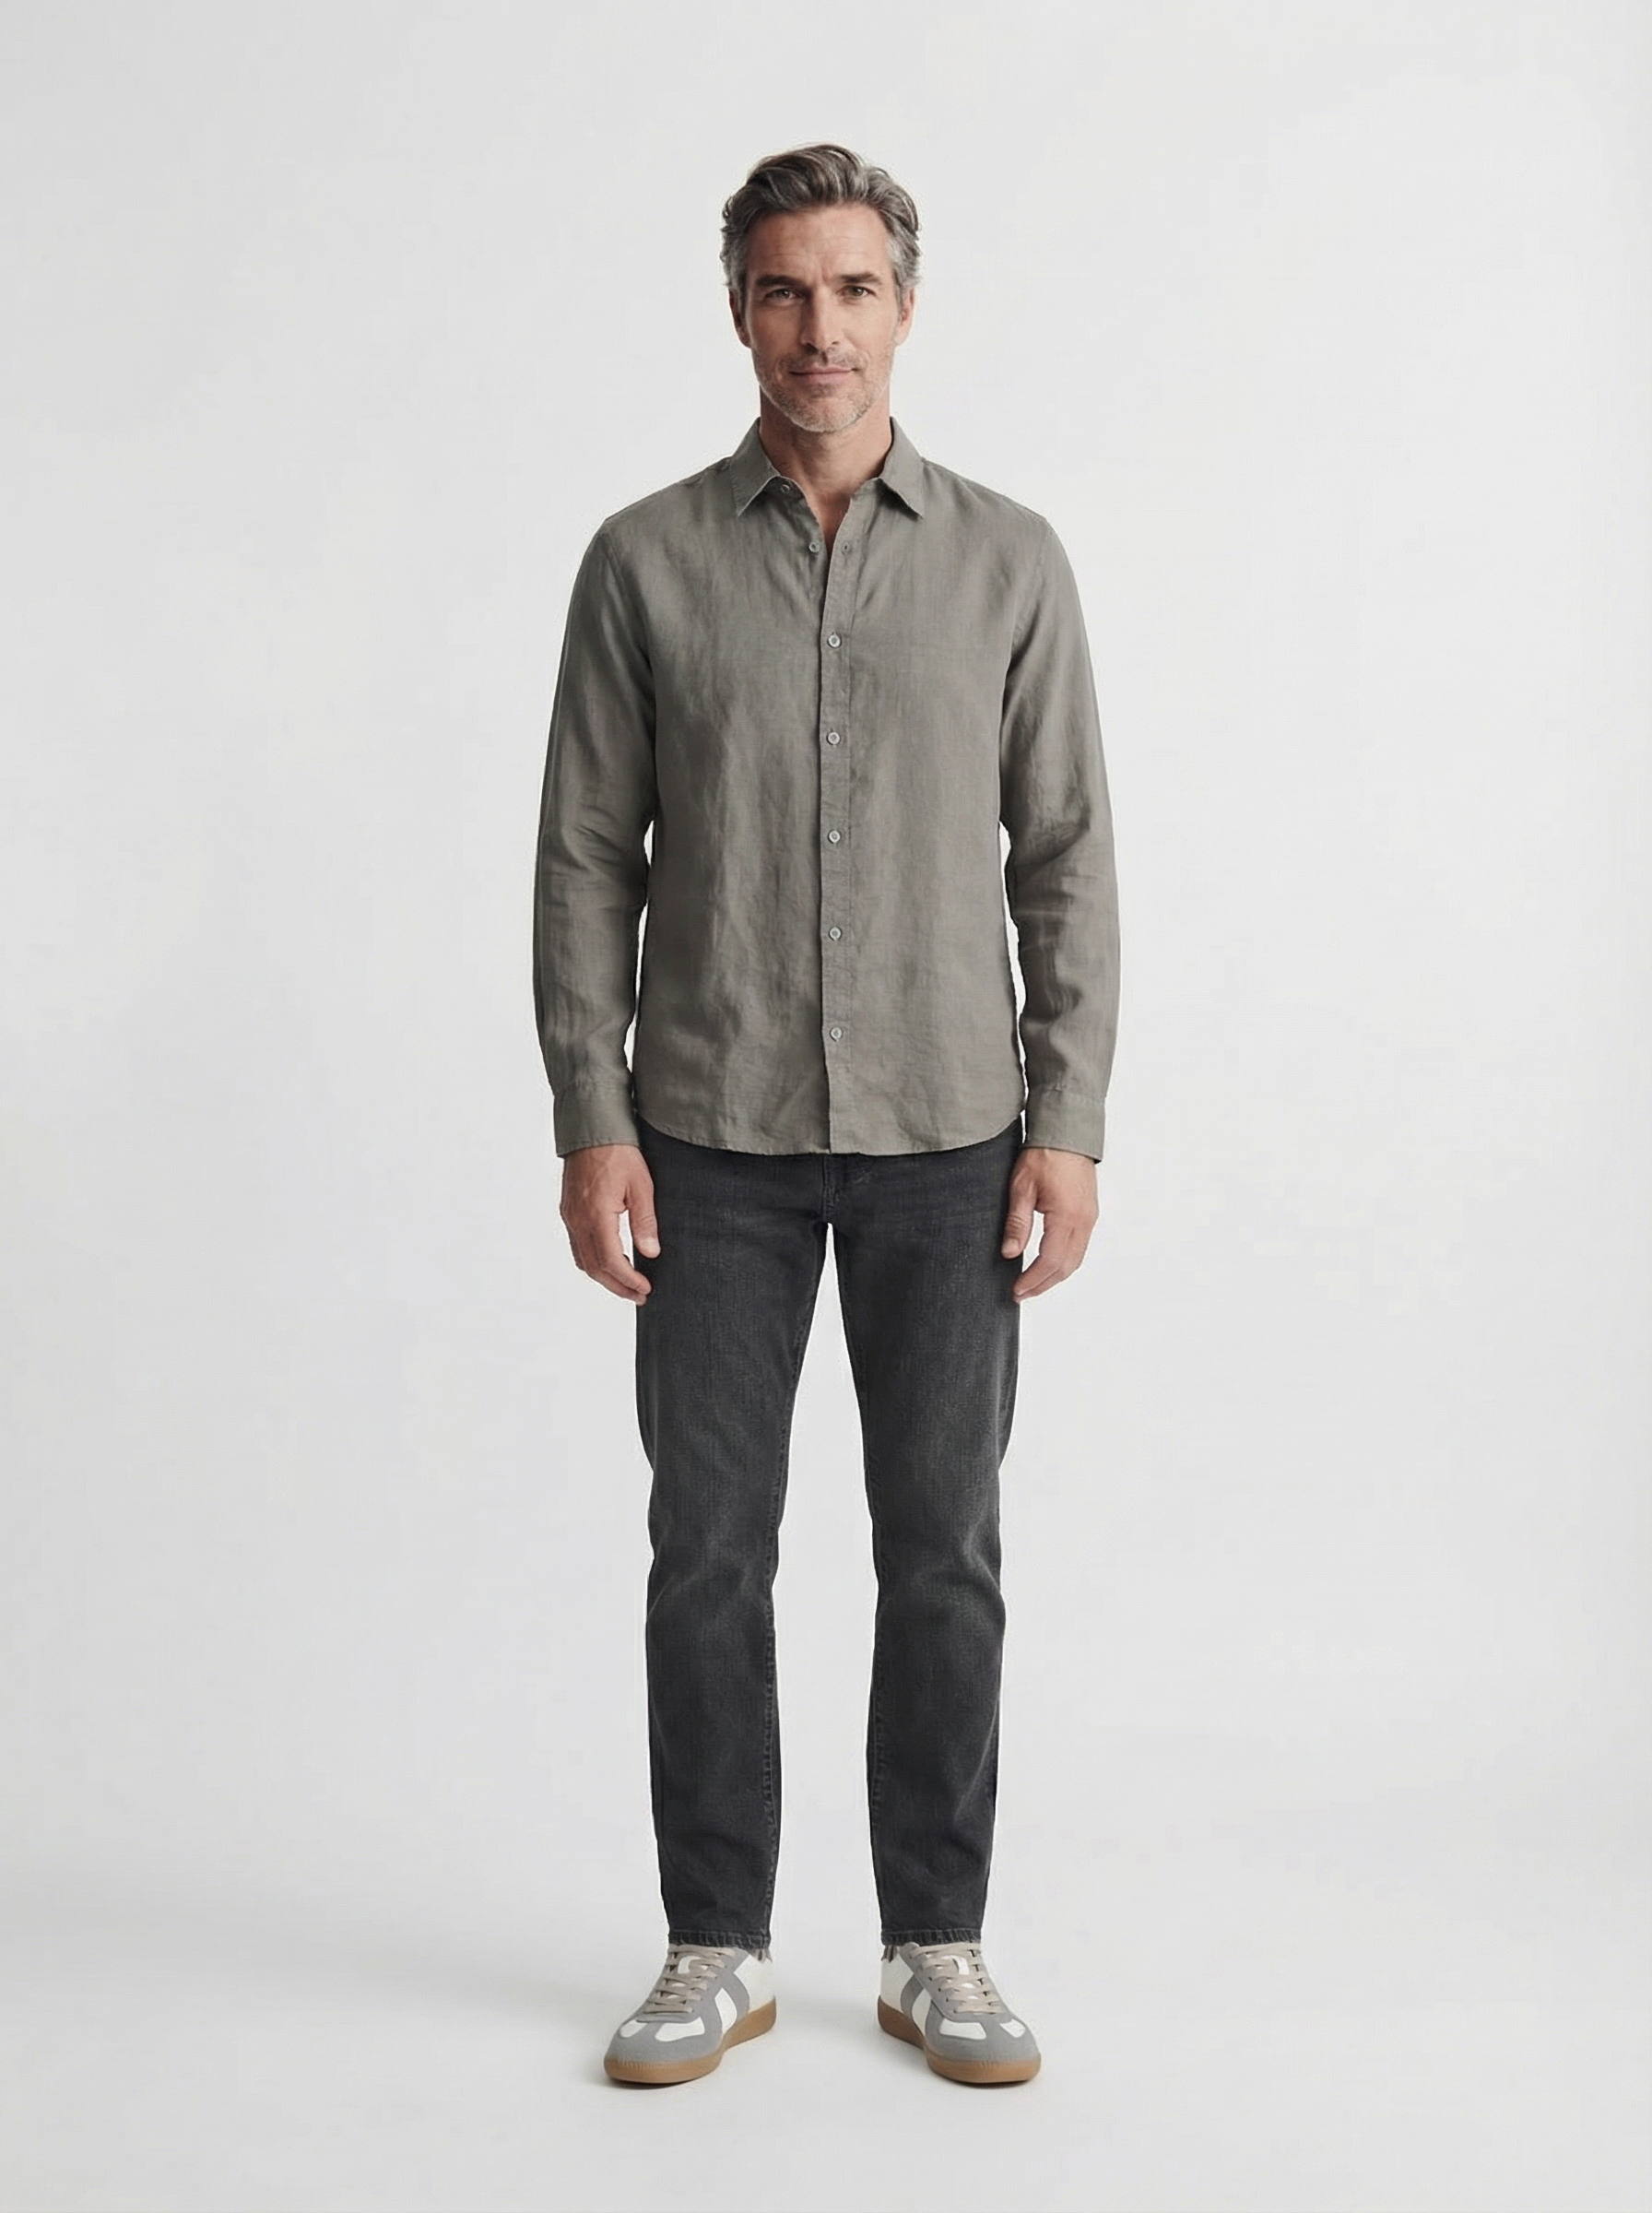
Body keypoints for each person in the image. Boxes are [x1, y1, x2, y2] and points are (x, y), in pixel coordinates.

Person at [532, 143, 1119, 2089]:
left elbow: (1065, 857)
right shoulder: (642, 561)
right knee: (707, 1550)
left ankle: (935, 1943)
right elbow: (584, 860)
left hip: (953, 1138)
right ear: (737, 311)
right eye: (783, 290)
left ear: (904, 309)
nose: (819, 330)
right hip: (708, 1137)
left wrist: (1068, 1121)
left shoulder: (1009, 560)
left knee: (942, 1547)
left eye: (853, 289)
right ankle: (714, 1943)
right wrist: (592, 1116)